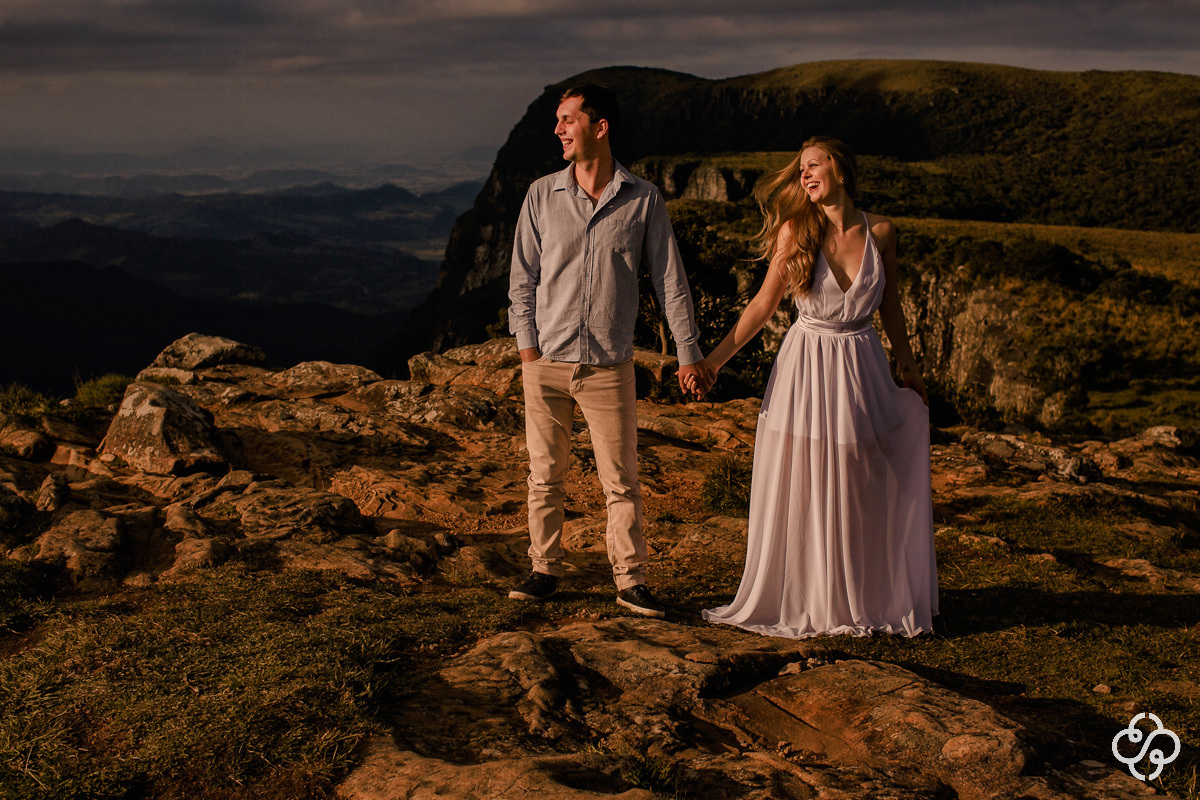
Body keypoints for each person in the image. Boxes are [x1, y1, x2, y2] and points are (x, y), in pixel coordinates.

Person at [693, 136, 938, 638]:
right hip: (806, 367)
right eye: (801, 169)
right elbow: (762, 305)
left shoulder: (883, 233)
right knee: (805, 477)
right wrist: (713, 361)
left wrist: (907, 367)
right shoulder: (795, 231)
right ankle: (810, 596)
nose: (805, 175)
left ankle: (859, 595)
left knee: (860, 477)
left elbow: (889, 305)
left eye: (814, 165)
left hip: (862, 362)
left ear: (840, 171)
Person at [506, 84, 711, 618]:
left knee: (620, 480)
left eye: (568, 119)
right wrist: (528, 353)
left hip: (608, 366)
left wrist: (688, 352)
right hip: (546, 361)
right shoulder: (540, 195)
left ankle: (630, 581)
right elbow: (521, 280)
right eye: (557, 119)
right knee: (544, 474)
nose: (558, 129)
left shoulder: (643, 199)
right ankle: (543, 569)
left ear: (600, 127)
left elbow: (671, 281)